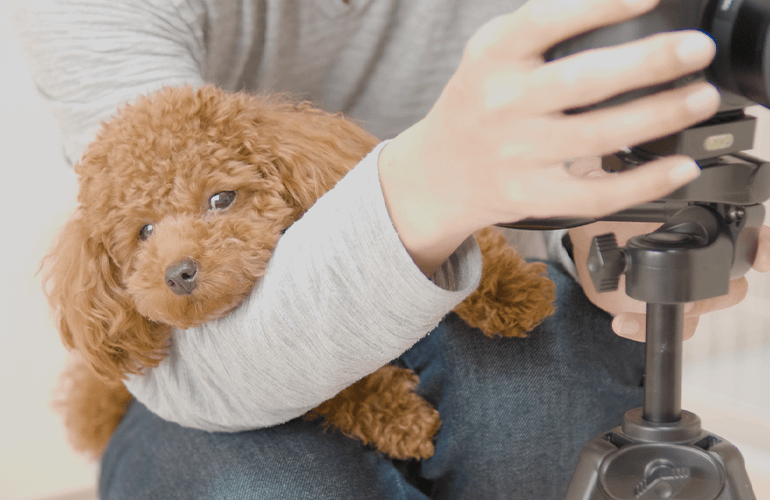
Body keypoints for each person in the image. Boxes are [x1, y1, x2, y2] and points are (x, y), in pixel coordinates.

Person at [15, 0, 770, 498]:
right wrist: (428, 182)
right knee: (258, 484)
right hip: (217, 365)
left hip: (484, 289)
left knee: (542, 405)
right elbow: (193, 354)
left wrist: (603, 215)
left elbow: (584, 160)